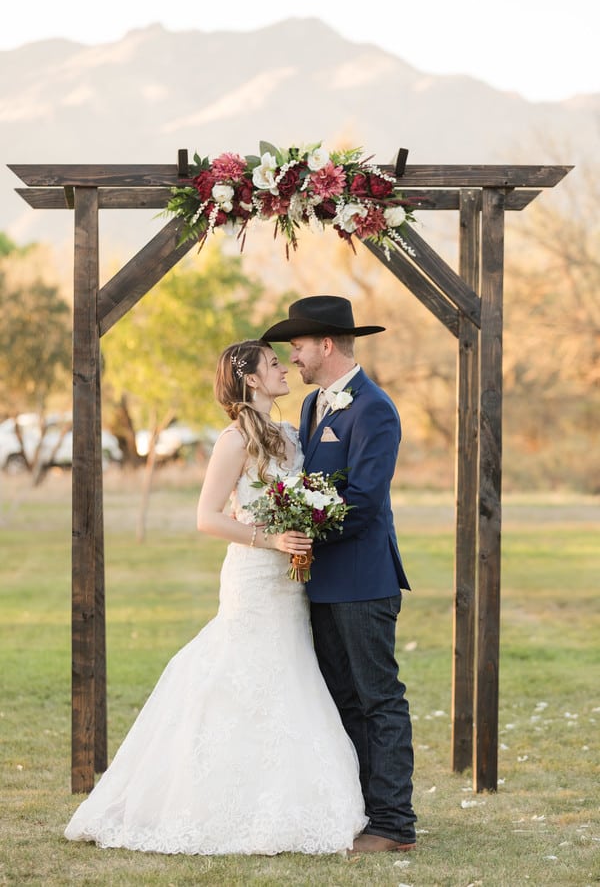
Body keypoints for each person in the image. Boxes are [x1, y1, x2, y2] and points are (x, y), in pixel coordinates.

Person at [64, 338, 367, 856]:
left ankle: (282, 802)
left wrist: (305, 524)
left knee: (288, 675)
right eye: (275, 364)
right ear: (252, 379)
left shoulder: (291, 434)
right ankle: (207, 801)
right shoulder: (234, 440)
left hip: (289, 582)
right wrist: (272, 539)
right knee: (240, 674)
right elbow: (207, 517)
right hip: (253, 576)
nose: (285, 368)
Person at [262, 296, 417, 853]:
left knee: (378, 699)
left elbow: (365, 501)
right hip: (320, 579)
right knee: (341, 700)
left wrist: (304, 528)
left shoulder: (374, 408)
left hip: (363, 580)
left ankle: (395, 824)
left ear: (326, 344)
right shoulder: (311, 406)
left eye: (298, 346)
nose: (293, 357)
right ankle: (360, 811)